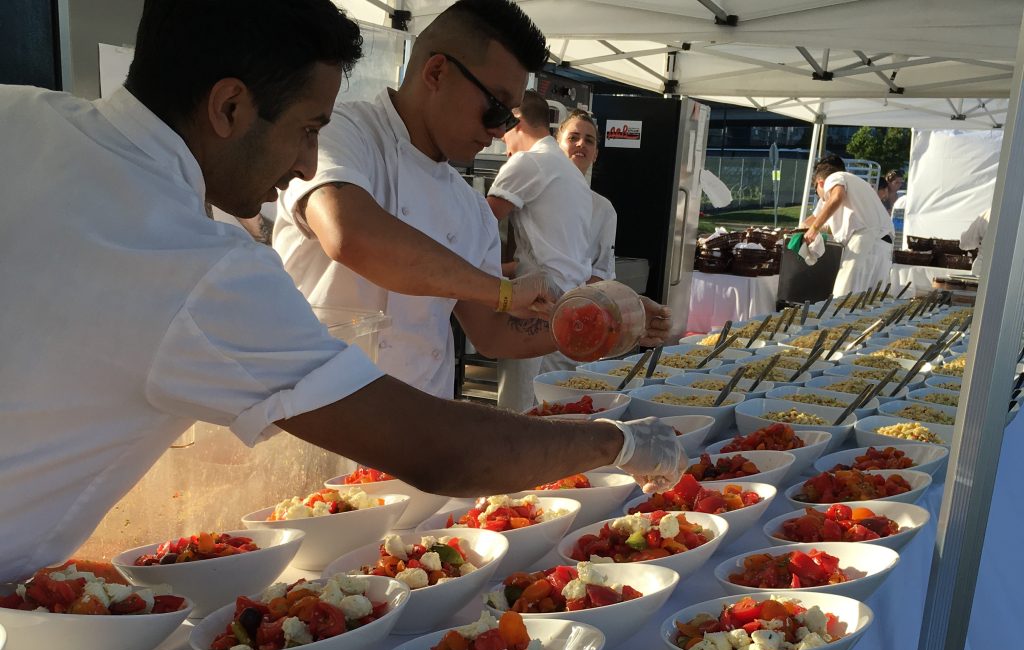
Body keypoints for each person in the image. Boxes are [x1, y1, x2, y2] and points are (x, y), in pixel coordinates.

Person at [0, 0, 682, 583]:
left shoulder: (20, 114)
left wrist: (587, 324)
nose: (302, 162)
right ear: (230, 106)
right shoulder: (210, 261)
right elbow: (352, 235)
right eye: (305, 131)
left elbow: (493, 335)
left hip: (408, 470)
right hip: (316, 454)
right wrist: (614, 443)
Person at [273, 0, 561, 398]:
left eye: (508, 118)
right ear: (436, 72)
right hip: (317, 422)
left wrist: (597, 323)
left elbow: (493, 334)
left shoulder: (472, 208)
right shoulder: (340, 133)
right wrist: (503, 292)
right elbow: (348, 233)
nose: (498, 131)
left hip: (418, 435)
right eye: (494, 107)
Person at [486, 90, 593, 410]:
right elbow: (551, 249)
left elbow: (476, 222)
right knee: (554, 412)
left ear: (516, 121)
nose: (498, 139)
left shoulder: (529, 160)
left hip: (539, 307)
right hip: (570, 307)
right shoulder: (571, 174)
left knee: (518, 414)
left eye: (501, 130)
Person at [802, 156, 894, 297]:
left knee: (843, 297)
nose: (821, 198)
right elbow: (822, 218)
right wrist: (805, 227)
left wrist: (813, 229)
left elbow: (837, 197)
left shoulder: (834, 178)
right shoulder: (856, 184)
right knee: (871, 301)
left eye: (816, 192)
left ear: (820, 183)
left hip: (867, 240)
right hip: (883, 244)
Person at [556, 108, 617, 283]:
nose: (581, 143)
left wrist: (573, 304)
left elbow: (601, 272)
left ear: (595, 154)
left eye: (589, 141)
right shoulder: (534, 193)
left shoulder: (603, 209)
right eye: (573, 138)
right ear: (556, 145)